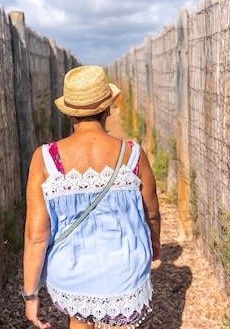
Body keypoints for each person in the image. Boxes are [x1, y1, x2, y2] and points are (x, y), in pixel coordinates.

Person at [22, 65, 162, 329]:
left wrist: (31, 295)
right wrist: (154, 243)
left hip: (74, 272)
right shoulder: (132, 154)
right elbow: (151, 213)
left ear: (68, 113)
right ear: (108, 108)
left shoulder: (45, 159)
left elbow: (36, 236)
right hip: (125, 266)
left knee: (80, 320)